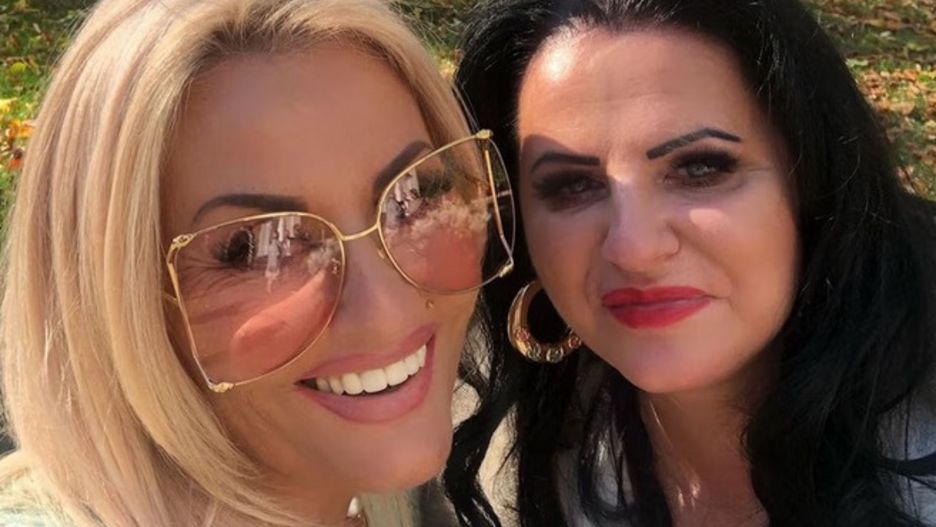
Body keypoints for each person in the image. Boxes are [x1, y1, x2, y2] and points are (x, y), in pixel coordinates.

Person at [0, 0, 514, 525]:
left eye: (415, 194)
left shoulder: (373, 492)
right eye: (256, 248)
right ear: (112, 302)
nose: (386, 313)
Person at [444, 1, 936, 526]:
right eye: (573, 184)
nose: (633, 247)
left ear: (812, 183)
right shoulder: (478, 435)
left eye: (700, 168)